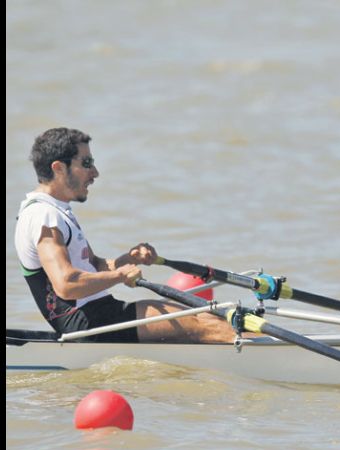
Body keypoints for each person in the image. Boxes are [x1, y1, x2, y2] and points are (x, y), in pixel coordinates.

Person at [14, 127, 237, 343]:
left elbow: (93, 265)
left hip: (100, 313)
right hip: (86, 323)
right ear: (59, 168)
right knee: (204, 325)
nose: (95, 173)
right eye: (87, 163)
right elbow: (66, 284)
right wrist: (121, 276)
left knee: (206, 316)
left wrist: (128, 260)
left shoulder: (57, 211)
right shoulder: (43, 215)